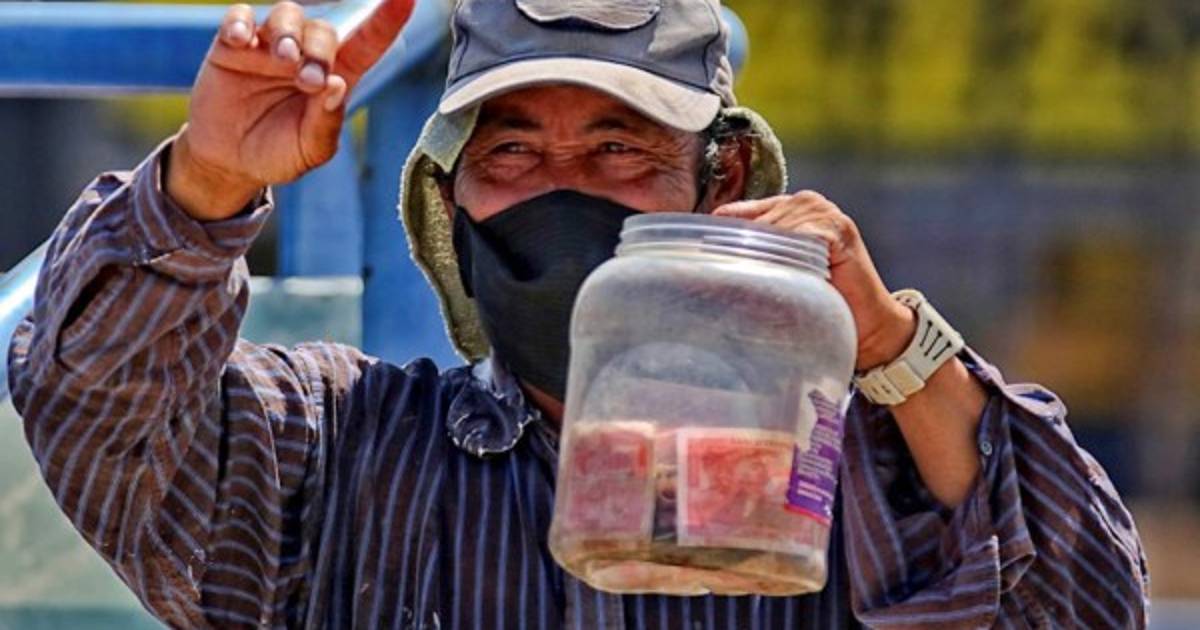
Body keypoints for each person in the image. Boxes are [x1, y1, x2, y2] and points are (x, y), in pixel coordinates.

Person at [7, 0, 1150, 627]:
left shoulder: (846, 478)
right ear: (449, 200)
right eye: (513, 152)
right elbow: (93, 409)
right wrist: (208, 181)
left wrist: (896, 347)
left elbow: (1086, 602)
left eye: (618, 150)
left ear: (722, 184)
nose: (563, 188)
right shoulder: (338, 449)